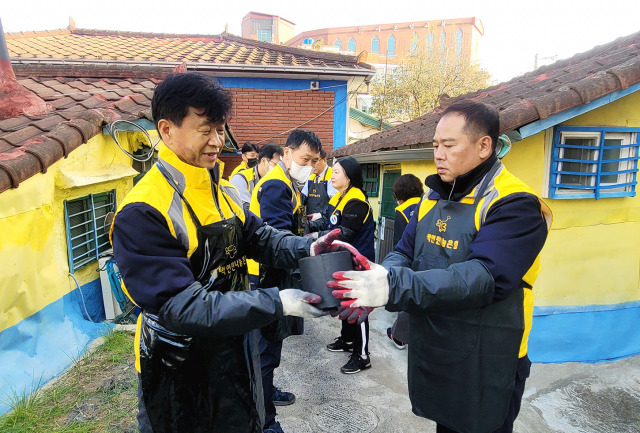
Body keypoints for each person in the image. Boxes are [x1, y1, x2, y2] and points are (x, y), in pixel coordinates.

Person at [109, 73, 353, 433]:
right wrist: (279, 302)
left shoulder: (222, 191)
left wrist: (310, 246)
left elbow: (262, 238)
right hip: (178, 365)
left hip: (234, 347)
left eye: (221, 129)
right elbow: (182, 307)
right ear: (167, 129)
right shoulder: (143, 212)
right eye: (205, 129)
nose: (217, 141)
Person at [330, 100, 552, 433]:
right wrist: (381, 278)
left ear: (484, 146)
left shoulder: (515, 204)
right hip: (435, 344)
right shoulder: (431, 198)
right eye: (435, 145)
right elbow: (403, 251)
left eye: (448, 145)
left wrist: (394, 287)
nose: (438, 154)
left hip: (487, 356)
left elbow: (483, 278)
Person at [248, 129, 322, 433]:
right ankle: (265, 421)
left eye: (314, 161)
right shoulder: (277, 184)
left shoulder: (287, 183)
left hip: (272, 275)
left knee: (272, 344)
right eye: (305, 158)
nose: (309, 165)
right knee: (265, 348)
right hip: (265, 277)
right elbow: (276, 237)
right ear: (288, 154)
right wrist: (308, 242)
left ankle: (269, 391)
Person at [315, 157, 375, 374]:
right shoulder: (341, 198)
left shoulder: (356, 202)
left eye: (337, 172)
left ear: (349, 177)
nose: (332, 175)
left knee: (359, 308)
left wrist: (317, 236)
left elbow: (344, 233)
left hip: (359, 264)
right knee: (345, 302)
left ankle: (362, 355)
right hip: (344, 261)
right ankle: (348, 340)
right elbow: (328, 220)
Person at [386, 173, 424, 350]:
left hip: (412, 260)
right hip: (429, 258)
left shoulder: (402, 211)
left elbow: (400, 244)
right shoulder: (428, 205)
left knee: (408, 300)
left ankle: (399, 337)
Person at [231, 143, 283, 209]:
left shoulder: (275, 180)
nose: (278, 168)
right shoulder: (240, 178)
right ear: (264, 161)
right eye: (275, 164)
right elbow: (245, 209)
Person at [302, 148, 338, 230]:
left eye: (315, 161)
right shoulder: (311, 177)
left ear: (324, 160)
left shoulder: (332, 176)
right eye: (310, 161)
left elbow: (336, 203)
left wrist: (321, 215)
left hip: (326, 225)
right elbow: (302, 198)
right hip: (310, 224)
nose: (312, 165)